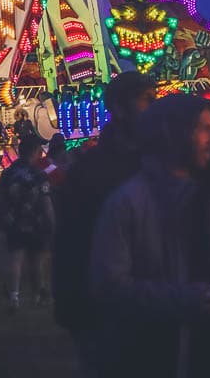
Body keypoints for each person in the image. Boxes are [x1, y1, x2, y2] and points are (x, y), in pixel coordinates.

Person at [90, 95, 210, 378]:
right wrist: (184, 300)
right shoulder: (128, 204)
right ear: (171, 135)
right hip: (157, 355)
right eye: (204, 129)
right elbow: (110, 286)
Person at [54, 71, 157, 370]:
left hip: (156, 301)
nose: (154, 108)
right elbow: (71, 241)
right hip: (103, 305)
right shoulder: (91, 170)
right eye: (147, 100)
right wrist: (73, 306)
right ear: (121, 108)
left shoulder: (161, 161)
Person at [0, 135, 55, 311]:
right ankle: (37, 295)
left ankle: (14, 297)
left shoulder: (8, 173)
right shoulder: (38, 175)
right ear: (33, 152)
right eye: (39, 151)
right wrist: (51, 222)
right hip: (35, 222)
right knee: (37, 260)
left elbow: (1, 197)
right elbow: (46, 203)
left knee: (15, 258)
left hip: (13, 220)